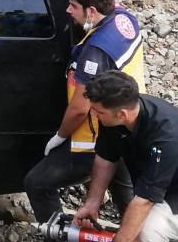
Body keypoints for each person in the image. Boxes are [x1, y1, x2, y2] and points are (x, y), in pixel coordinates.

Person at [24, 0, 143, 222]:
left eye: (73, 7)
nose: (68, 11)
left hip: (93, 138)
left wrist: (59, 136)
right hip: (126, 127)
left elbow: (80, 107)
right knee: (129, 202)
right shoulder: (121, 17)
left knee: (36, 183)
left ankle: (59, 234)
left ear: (91, 11)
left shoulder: (95, 52)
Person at [74, 71, 178, 242]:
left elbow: (144, 201)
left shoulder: (166, 138)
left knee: (145, 232)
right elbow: (105, 158)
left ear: (122, 114)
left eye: (98, 112)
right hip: (156, 186)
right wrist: (92, 203)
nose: (94, 115)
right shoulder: (114, 113)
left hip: (174, 194)